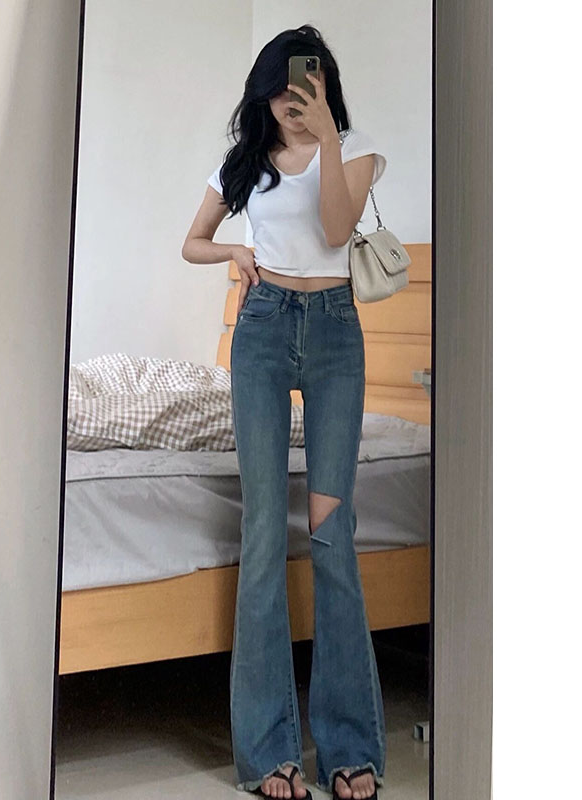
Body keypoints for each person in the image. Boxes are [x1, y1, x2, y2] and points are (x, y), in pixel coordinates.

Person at [181, 24, 388, 800]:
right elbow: (193, 241)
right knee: (266, 533)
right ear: (263, 92)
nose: (289, 102)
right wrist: (234, 253)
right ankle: (270, 752)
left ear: (323, 86)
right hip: (263, 332)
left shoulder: (355, 149)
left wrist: (328, 136)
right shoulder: (245, 162)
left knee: (332, 537)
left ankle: (349, 747)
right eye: (279, 89)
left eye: (303, 87)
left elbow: (335, 231)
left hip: (334, 335)